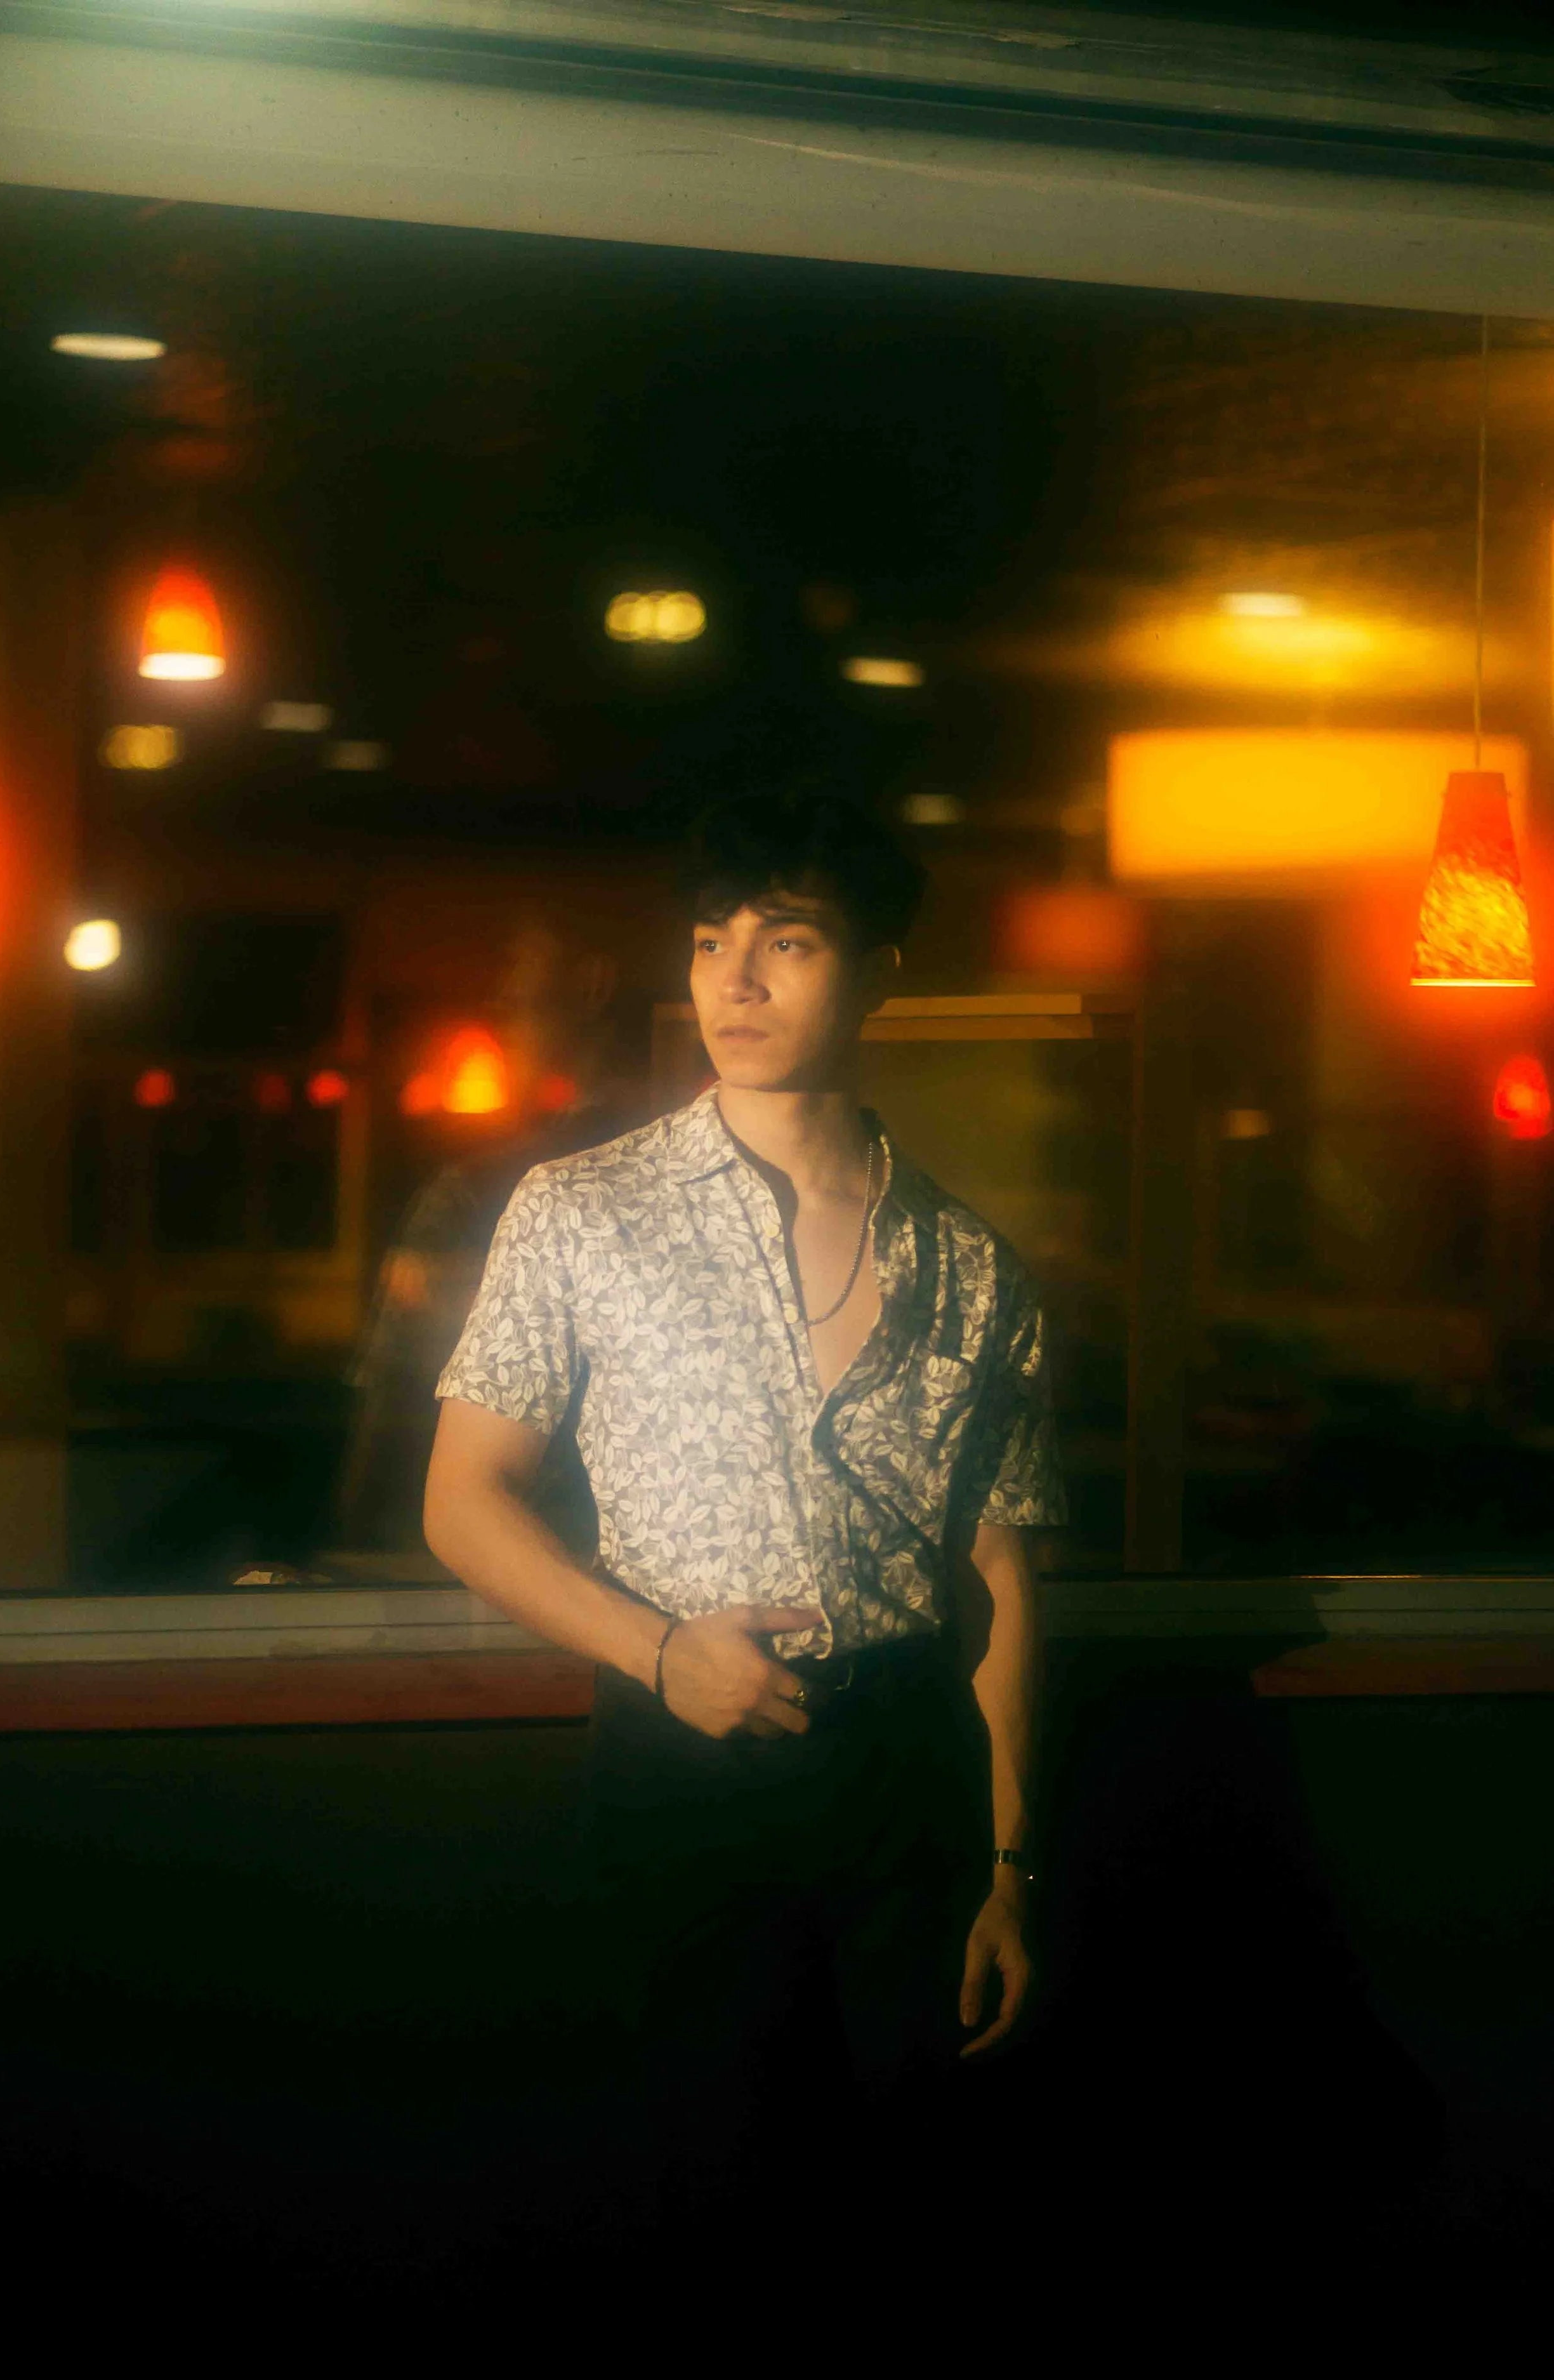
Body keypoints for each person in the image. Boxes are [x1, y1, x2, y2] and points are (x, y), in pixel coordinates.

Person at [424, 789, 1065, 2264]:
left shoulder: (970, 1261)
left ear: (883, 966)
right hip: (681, 1767)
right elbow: (459, 1498)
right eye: (714, 939)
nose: (737, 976)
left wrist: (1013, 1868)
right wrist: (657, 1651)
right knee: (696, 2210)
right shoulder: (583, 1207)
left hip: (910, 1773)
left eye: (789, 941)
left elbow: (1000, 1579)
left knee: (915, 2203)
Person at [336, 922, 638, 1554]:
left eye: (519, 993)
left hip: (516, 1555)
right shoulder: (474, 1193)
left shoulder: (475, 1196)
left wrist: (361, 1544)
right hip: (551, 1554)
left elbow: (392, 1407)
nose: (504, 1013)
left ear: (592, 987)